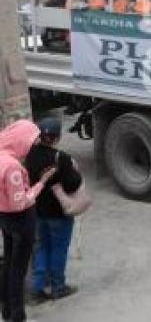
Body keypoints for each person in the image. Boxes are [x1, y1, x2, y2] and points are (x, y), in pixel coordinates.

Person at [0, 120, 56, 322]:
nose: (31, 148)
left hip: (4, 217)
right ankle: (17, 315)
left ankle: (6, 310)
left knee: (8, 263)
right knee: (18, 269)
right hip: (20, 220)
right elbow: (20, 202)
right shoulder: (12, 167)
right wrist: (41, 183)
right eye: (31, 143)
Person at [24, 117, 82, 304]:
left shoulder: (30, 154)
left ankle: (37, 288)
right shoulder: (61, 158)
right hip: (58, 214)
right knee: (58, 249)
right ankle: (58, 287)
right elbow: (73, 185)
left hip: (38, 212)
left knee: (41, 248)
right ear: (57, 137)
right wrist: (74, 169)